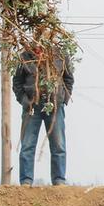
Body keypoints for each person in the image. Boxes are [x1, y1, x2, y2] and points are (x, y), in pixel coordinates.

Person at [13, 46, 74, 186]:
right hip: (32, 106)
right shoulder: (25, 57)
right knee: (27, 145)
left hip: (55, 106)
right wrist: (25, 101)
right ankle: (26, 181)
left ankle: (59, 180)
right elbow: (17, 82)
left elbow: (68, 79)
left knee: (58, 145)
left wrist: (63, 98)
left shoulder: (60, 55)